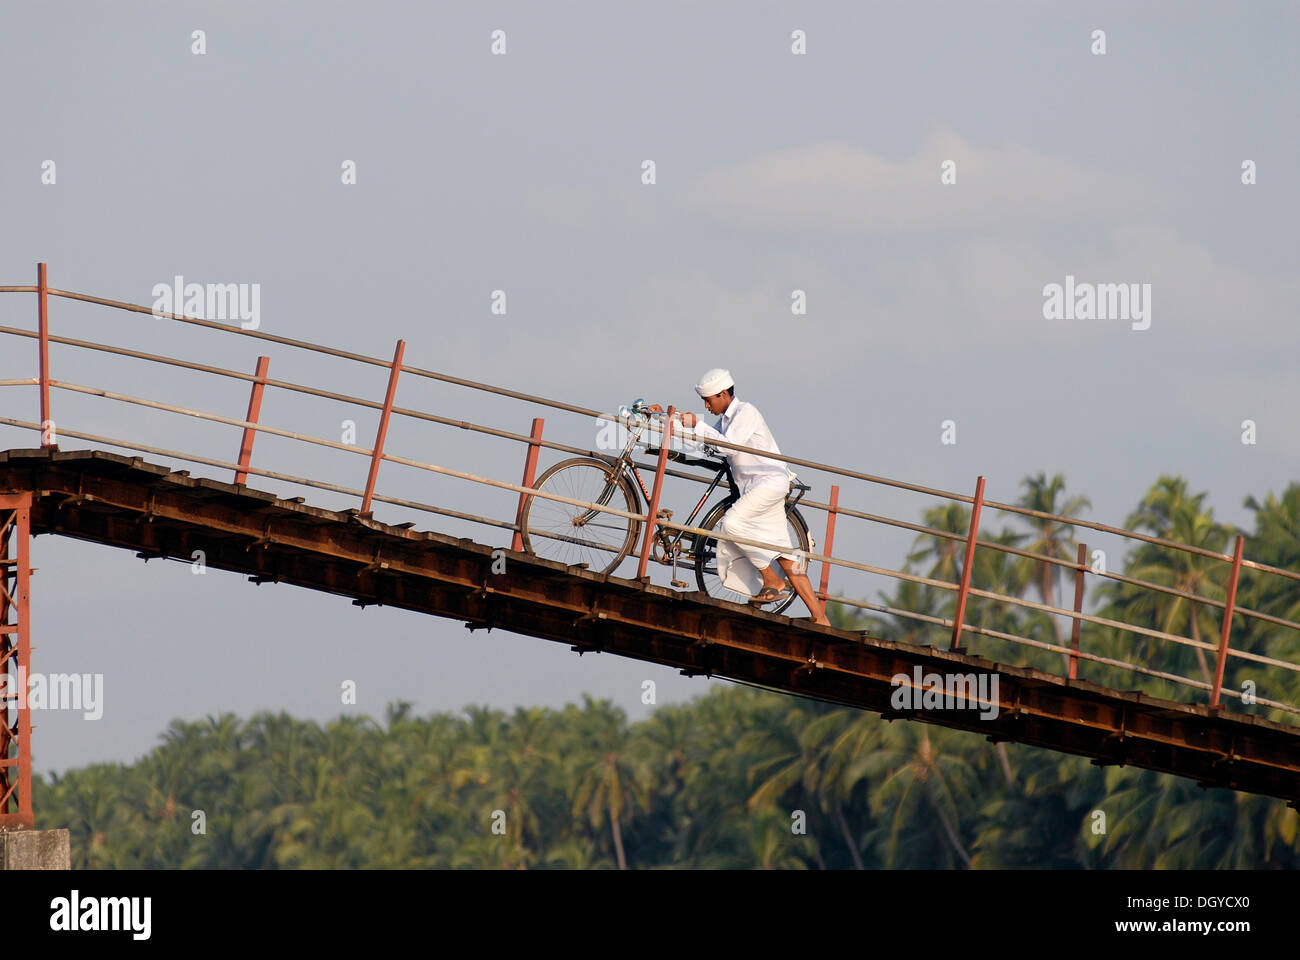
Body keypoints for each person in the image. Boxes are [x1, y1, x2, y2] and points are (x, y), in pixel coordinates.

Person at [648, 369, 831, 627]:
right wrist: (668, 419)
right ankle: (821, 618)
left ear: (724, 394)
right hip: (756, 489)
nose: (706, 405)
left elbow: (726, 445)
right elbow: (705, 442)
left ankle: (773, 580)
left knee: (732, 524)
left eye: (708, 400)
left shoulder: (746, 412)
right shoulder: (725, 421)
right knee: (785, 556)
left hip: (767, 484)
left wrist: (696, 424)